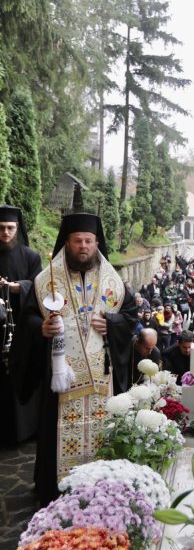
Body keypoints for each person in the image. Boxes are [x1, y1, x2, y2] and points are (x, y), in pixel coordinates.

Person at [11, 213, 137, 504]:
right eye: (78, 241)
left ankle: (102, 488)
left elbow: (130, 316)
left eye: (88, 241)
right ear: (66, 243)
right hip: (62, 379)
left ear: (97, 243)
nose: (83, 247)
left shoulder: (113, 281)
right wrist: (40, 328)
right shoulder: (46, 281)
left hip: (101, 378)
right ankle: (55, 490)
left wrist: (113, 323)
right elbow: (27, 319)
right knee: (55, 435)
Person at [0, 205, 42, 444]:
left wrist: (18, 287)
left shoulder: (31, 256)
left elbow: (39, 287)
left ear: (17, 229)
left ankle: (26, 430)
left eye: (10, 228)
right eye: (1, 228)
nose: (5, 233)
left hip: (22, 326)